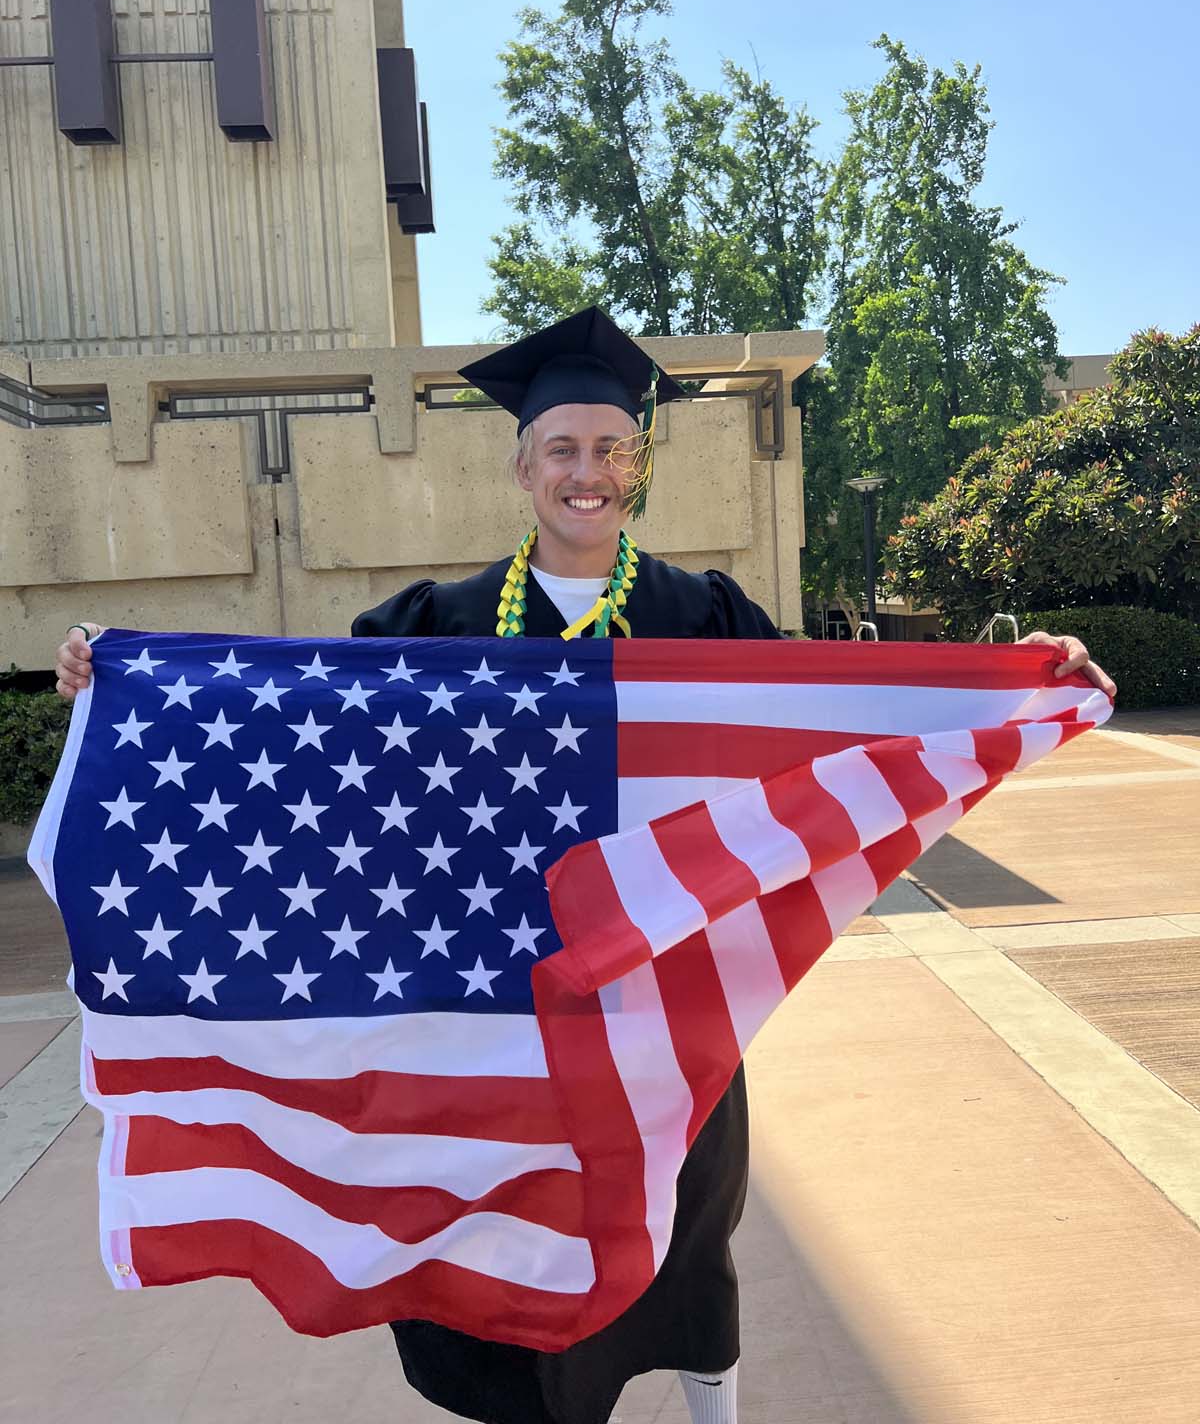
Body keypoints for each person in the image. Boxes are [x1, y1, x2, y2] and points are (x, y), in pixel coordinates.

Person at [53, 306, 1117, 1424]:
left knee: (688, 1223)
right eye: (563, 448)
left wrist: (1019, 677)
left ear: (637, 466)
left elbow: (838, 711)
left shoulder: (699, 618)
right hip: (491, 1003)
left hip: (667, 991)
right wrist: (122, 686)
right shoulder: (440, 626)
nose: (589, 472)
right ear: (523, 467)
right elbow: (306, 729)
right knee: (501, 1230)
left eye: (612, 448)